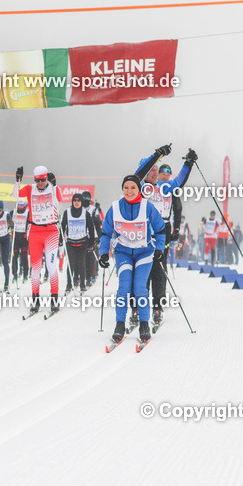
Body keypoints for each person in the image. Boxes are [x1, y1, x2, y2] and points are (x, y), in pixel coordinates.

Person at [99, 175, 166, 344]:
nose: (129, 191)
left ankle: (144, 325)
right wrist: (104, 253)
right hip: (123, 253)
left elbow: (160, 229)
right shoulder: (115, 208)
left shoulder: (147, 207)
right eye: (126, 188)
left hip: (144, 252)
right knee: (124, 287)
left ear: (139, 189)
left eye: (133, 188)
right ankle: (119, 325)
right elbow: (106, 233)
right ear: (122, 189)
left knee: (139, 287)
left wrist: (159, 249)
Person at [135, 147, 193, 324]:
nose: (154, 173)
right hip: (142, 233)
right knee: (141, 272)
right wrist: (156, 156)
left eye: (155, 169)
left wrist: (188, 163)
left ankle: (158, 307)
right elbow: (139, 174)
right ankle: (138, 308)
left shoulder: (165, 187)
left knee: (159, 270)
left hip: (162, 231)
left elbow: (179, 181)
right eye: (151, 169)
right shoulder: (141, 187)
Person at [12, 165, 64, 315]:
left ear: (46, 177)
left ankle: (54, 300)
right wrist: (18, 180)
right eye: (37, 180)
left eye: (42, 180)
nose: (40, 183)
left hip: (51, 231)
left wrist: (55, 184)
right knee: (35, 268)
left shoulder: (53, 188)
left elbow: (60, 198)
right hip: (34, 231)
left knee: (51, 266)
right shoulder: (30, 189)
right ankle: (35, 300)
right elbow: (15, 195)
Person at [61, 193, 95, 293]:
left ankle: (82, 285)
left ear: (81, 202)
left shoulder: (85, 213)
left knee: (81, 264)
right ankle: (69, 285)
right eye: (75, 201)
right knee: (71, 264)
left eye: (78, 201)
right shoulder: (67, 212)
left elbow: (91, 228)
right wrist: (60, 239)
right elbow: (63, 227)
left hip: (82, 243)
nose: (76, 202)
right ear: (72, 202)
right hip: (70, 242)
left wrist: (91, 242)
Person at [11, 199, 30, 282]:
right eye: (19, 205)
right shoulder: (13, 212)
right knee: (14, 256)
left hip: (24, 237)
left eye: (22, 205)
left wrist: (28, 232)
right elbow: (8, 221)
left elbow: (31, 223)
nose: (20, 206)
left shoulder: (28, 213)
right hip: (15, 236)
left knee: (24, 256)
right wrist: (11, 229)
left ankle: (25, 274)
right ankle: (14, 274)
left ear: (25, 205)